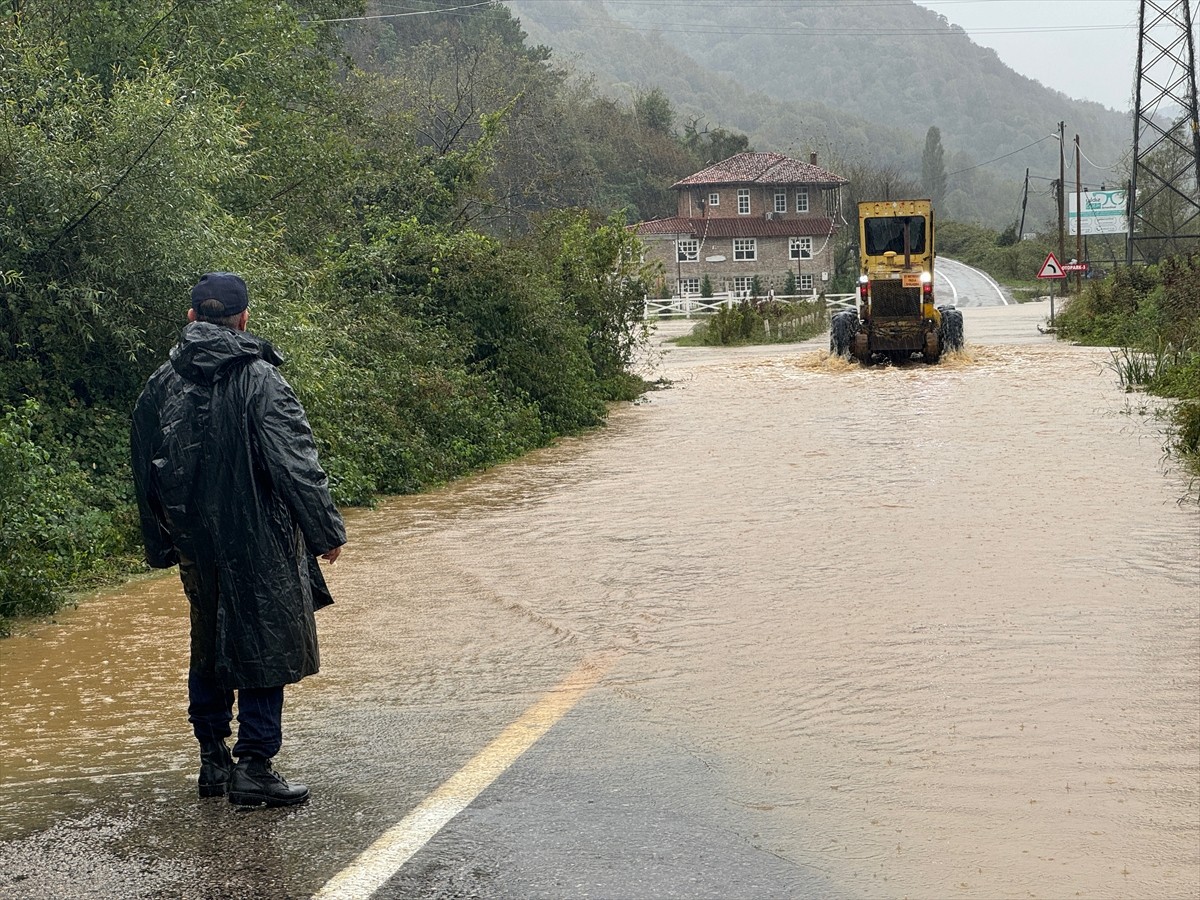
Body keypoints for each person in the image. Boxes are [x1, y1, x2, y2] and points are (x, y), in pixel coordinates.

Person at [131, 272, 346, 807]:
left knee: (208, 640)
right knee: (263, 641)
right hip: (259, 535)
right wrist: (324, 529)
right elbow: (295, 462)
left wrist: (160, 544)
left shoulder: (160, 384)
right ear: (244, 318)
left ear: (192, 319)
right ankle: (254, 765)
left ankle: (213, 761)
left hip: (195, 543)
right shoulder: (260, 379)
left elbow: (144, 473)